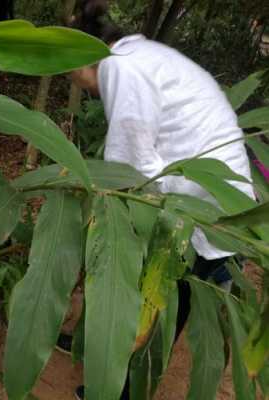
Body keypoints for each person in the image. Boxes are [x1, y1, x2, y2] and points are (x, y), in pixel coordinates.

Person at [64, 1, 256, 399]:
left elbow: (130, 166)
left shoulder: (120, 65)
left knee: (162, 298)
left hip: (200, 206)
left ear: (84, 55)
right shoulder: (143, 55)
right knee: (166, 297)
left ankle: (121, 389)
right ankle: (96, 351)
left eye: (71, 71)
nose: (77, 84)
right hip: (218, 198)